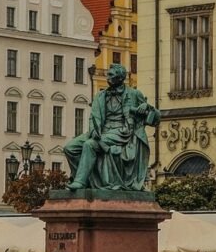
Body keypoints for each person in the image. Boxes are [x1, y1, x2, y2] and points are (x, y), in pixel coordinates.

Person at [64, 63, 160, 191]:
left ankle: (80, 182)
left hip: (121, 132)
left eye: (110, 75)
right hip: (102, 130)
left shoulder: (134, 94)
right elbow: (93, 118)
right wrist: (94, 131)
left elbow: (156, 119)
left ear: (120, 78)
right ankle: (87, 179)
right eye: (107, 74)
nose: (107, 77)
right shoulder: (100, 95)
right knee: (69, 148)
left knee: (89, 145)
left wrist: (147, 107)